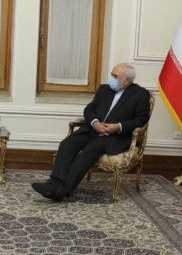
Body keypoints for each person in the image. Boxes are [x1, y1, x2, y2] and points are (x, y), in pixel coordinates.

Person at [31, 63, 151, 201]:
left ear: (127, 80)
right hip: (93, 129)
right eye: (111, 75)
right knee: (68, 143)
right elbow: (89, 109)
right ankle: (54, 183)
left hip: (115, 136)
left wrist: (117, 127)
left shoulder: (140, 94)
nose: (111, 78)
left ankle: (64, 191)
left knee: (91, 149)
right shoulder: (104, 89)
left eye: (115, 76)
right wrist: (95, 123)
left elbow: (141, 119)